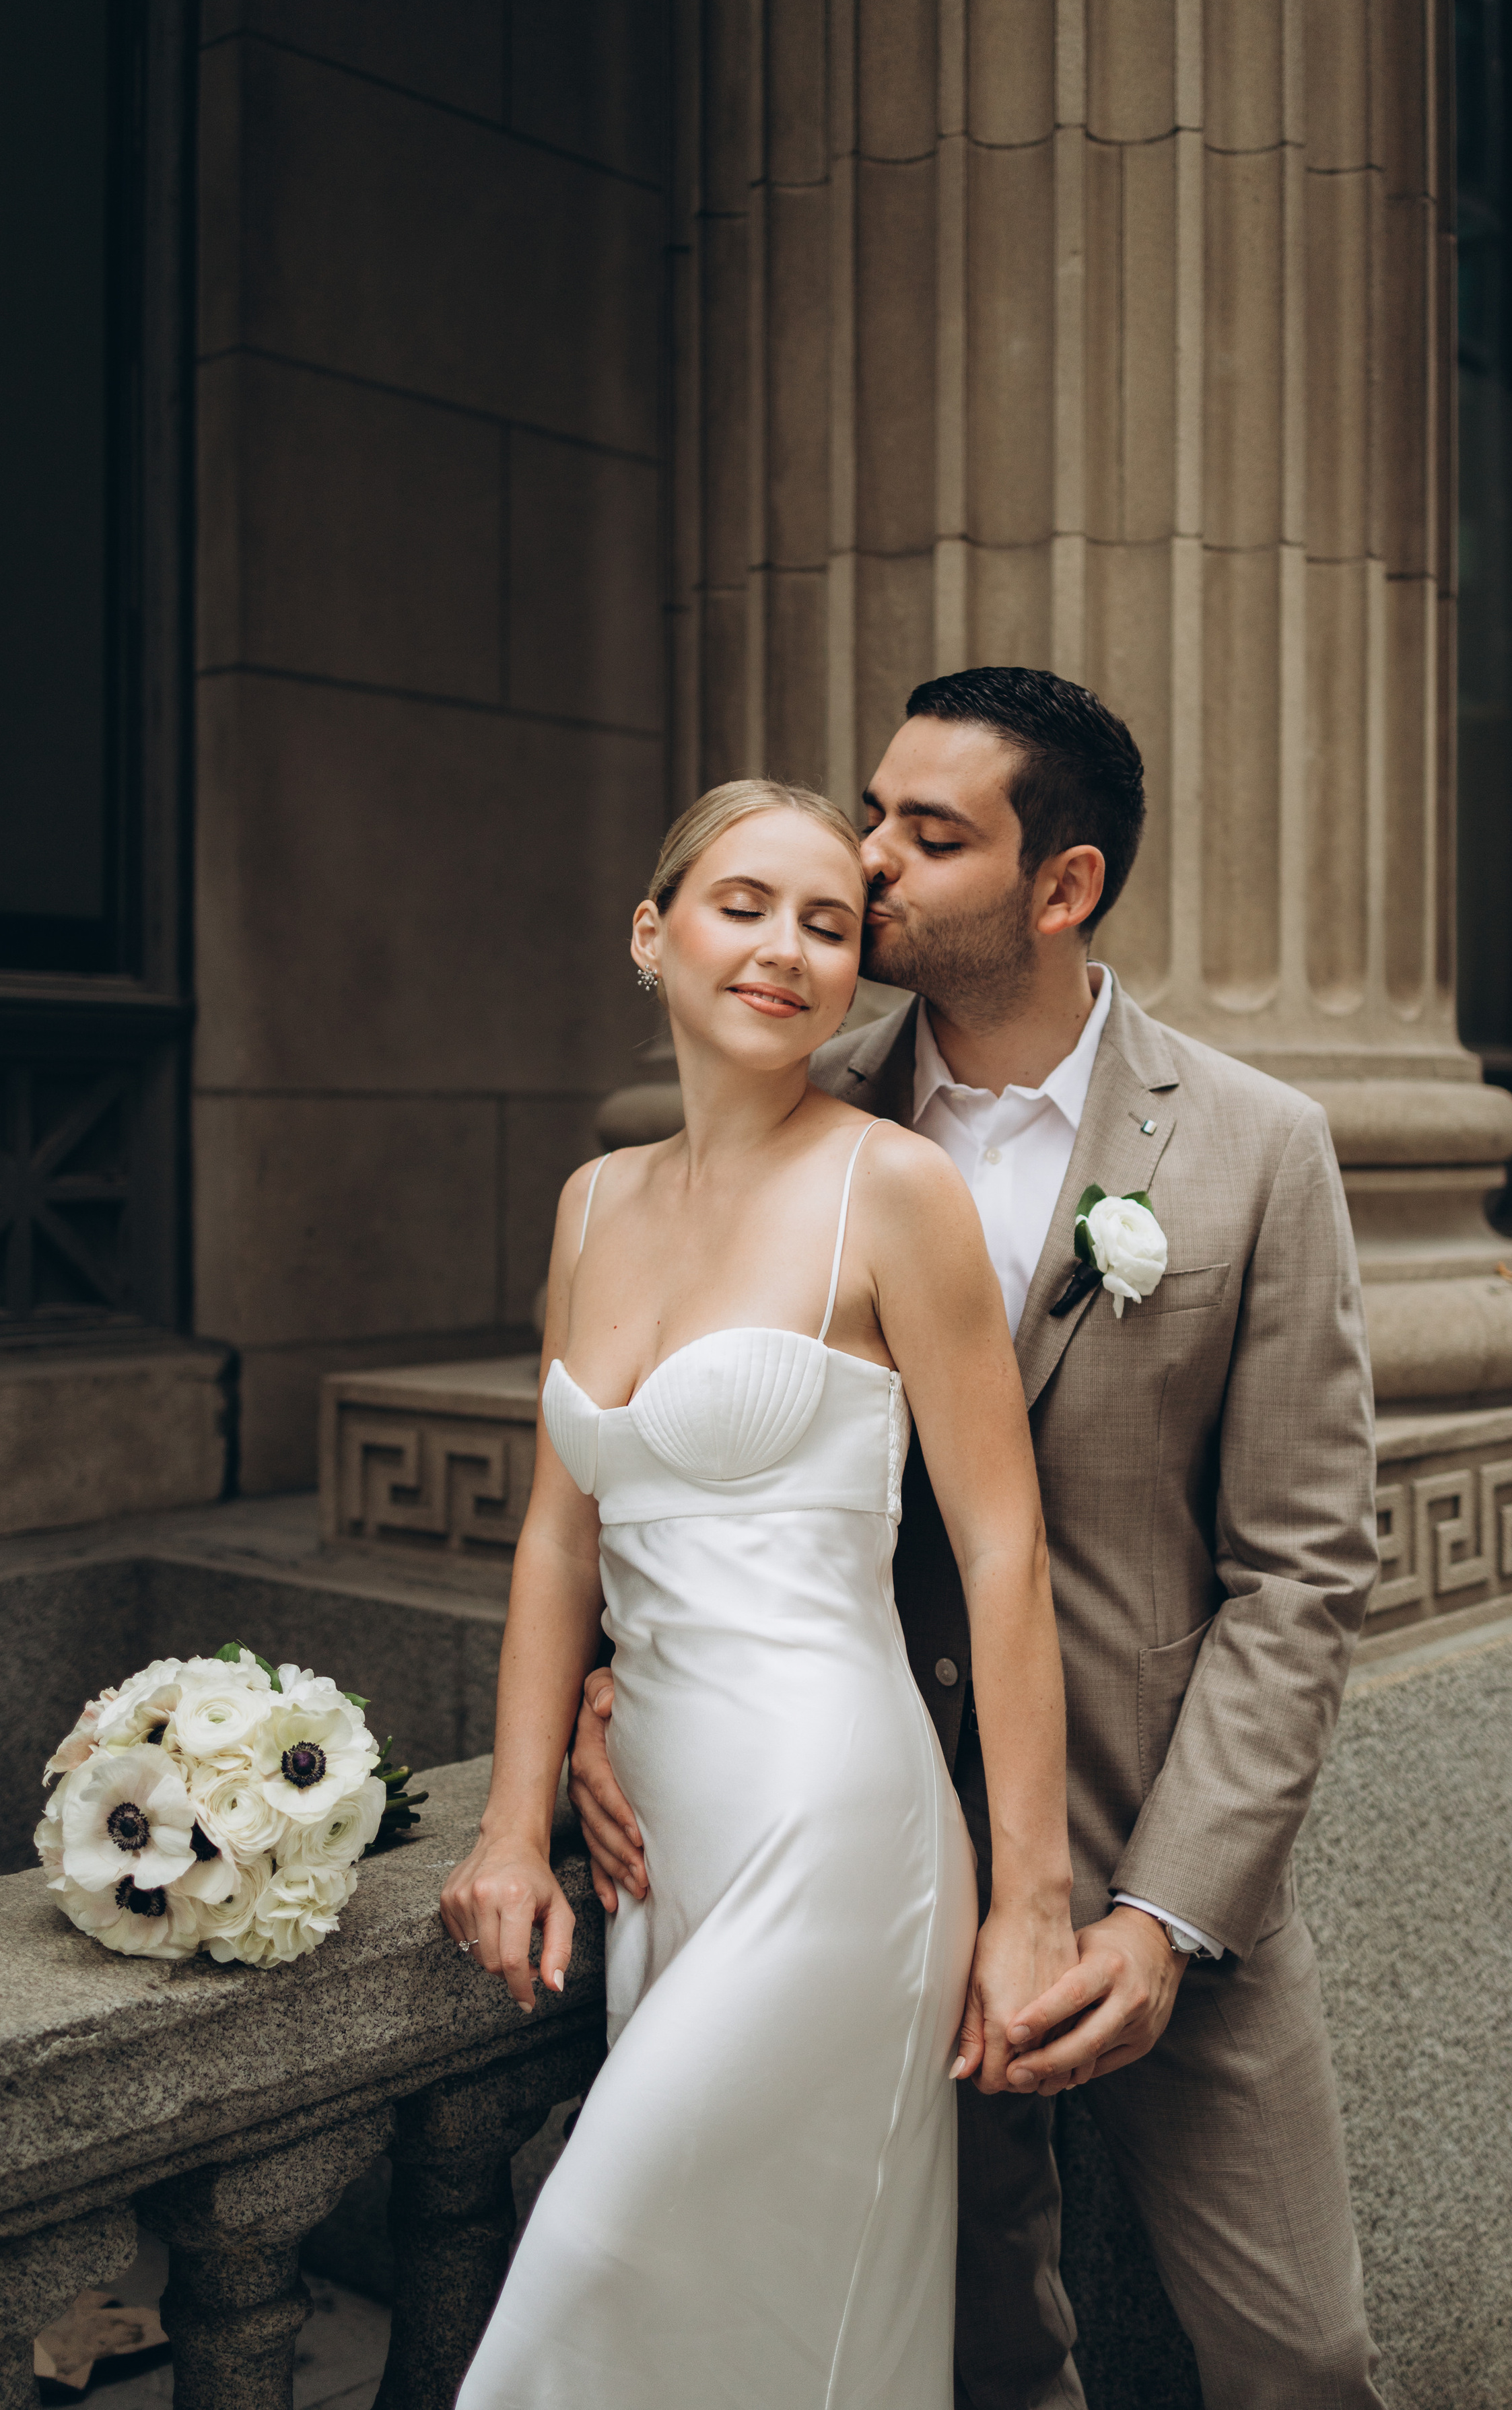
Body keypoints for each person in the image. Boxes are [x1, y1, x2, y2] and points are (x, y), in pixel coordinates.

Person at [572, 671, 1385, 2409]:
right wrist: (611, 1693)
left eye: (927, 836)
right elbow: (663, 1445)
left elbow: (1302, 1574)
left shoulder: (1256, 1148)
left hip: (1163, 1847)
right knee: (977, 2352)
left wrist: (1160, 1916)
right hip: (873, 1860)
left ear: (1060, 885)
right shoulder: (798, 1103)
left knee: (1299, 2353)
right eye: (872, 810)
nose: (865, 861)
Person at [440, 777, 1083, 2409]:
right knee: (734, 2332)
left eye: (826, 923)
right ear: (649, 933)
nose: (785, 949)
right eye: (742, 907)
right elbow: (558, 1539)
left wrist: (1030, 1899)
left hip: (833, 1828)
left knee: (592, 2275)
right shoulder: (591, 1202)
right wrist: (513, 1825)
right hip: (659, 1844)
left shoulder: (892, 1189)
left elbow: (1001, 1551)